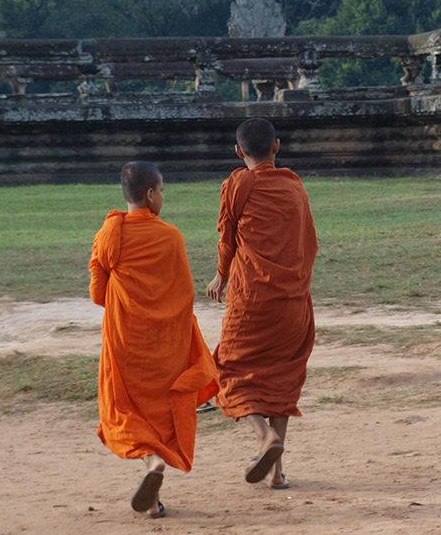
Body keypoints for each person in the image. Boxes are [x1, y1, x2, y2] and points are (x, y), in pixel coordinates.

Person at [89, 161, 219, 518]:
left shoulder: (109, 234)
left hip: (124, 339)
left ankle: (152, 465)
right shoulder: (170, 235)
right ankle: (154, 471)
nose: (163, 197)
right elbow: (183, 293)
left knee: (124, 408)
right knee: (160, 410)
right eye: (162, 191)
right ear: (150, 195)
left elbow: (98, 294)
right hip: (164, 342)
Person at [207, 118, 318, 491]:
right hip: (292, 300)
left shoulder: (237, 183)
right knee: (281, 379)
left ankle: (264, 437)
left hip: (251, 298)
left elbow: (227, 238)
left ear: (239, 152)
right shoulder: (293, 184)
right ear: (277, 147)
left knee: (229, 369)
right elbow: (308, 240)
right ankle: (276, 473)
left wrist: (221, 276)